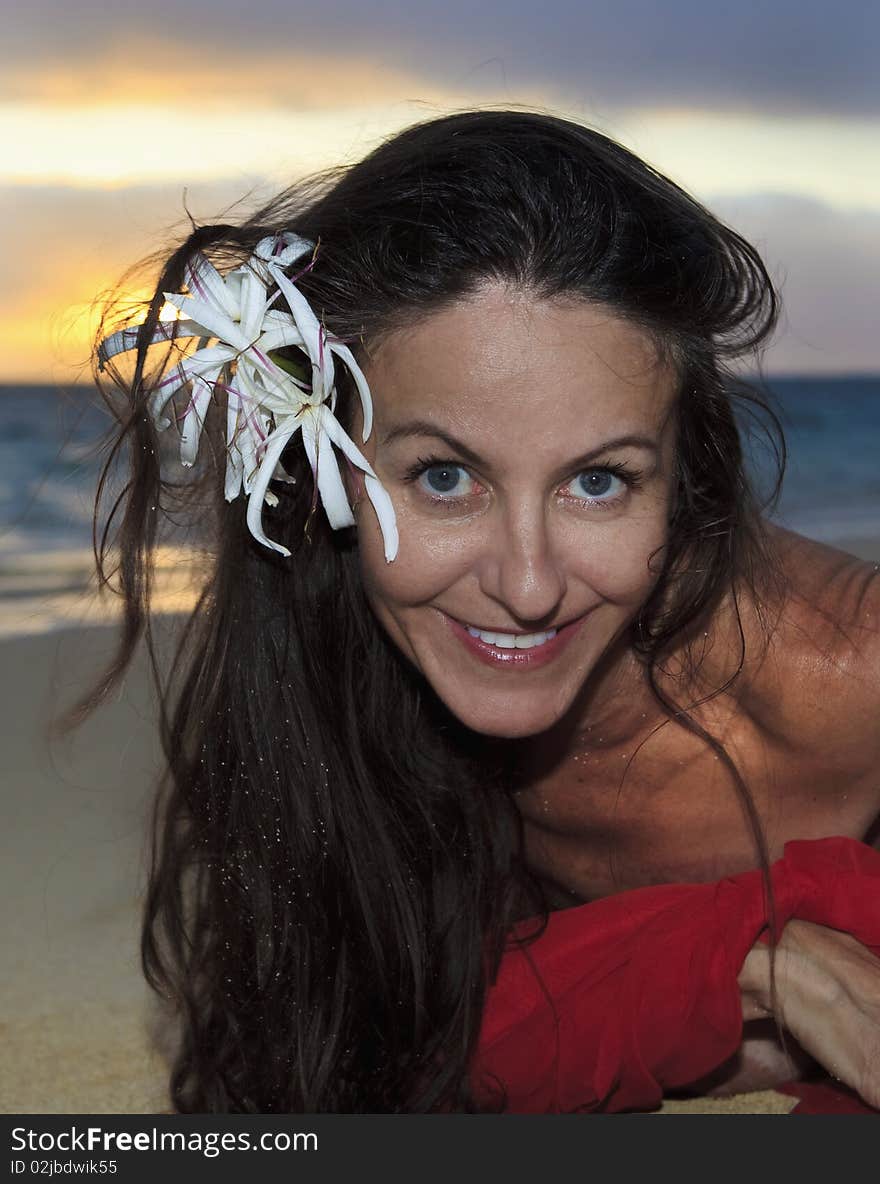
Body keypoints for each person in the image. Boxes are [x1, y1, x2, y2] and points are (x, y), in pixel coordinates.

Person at [85, 108, 880, 1113]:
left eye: (597, 481)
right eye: (445, 474)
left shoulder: (844, 668)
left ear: (686, 478)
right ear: (322, 472)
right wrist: (758, 962)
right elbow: (340, 1047)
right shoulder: (336, 673)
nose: (529, 582)